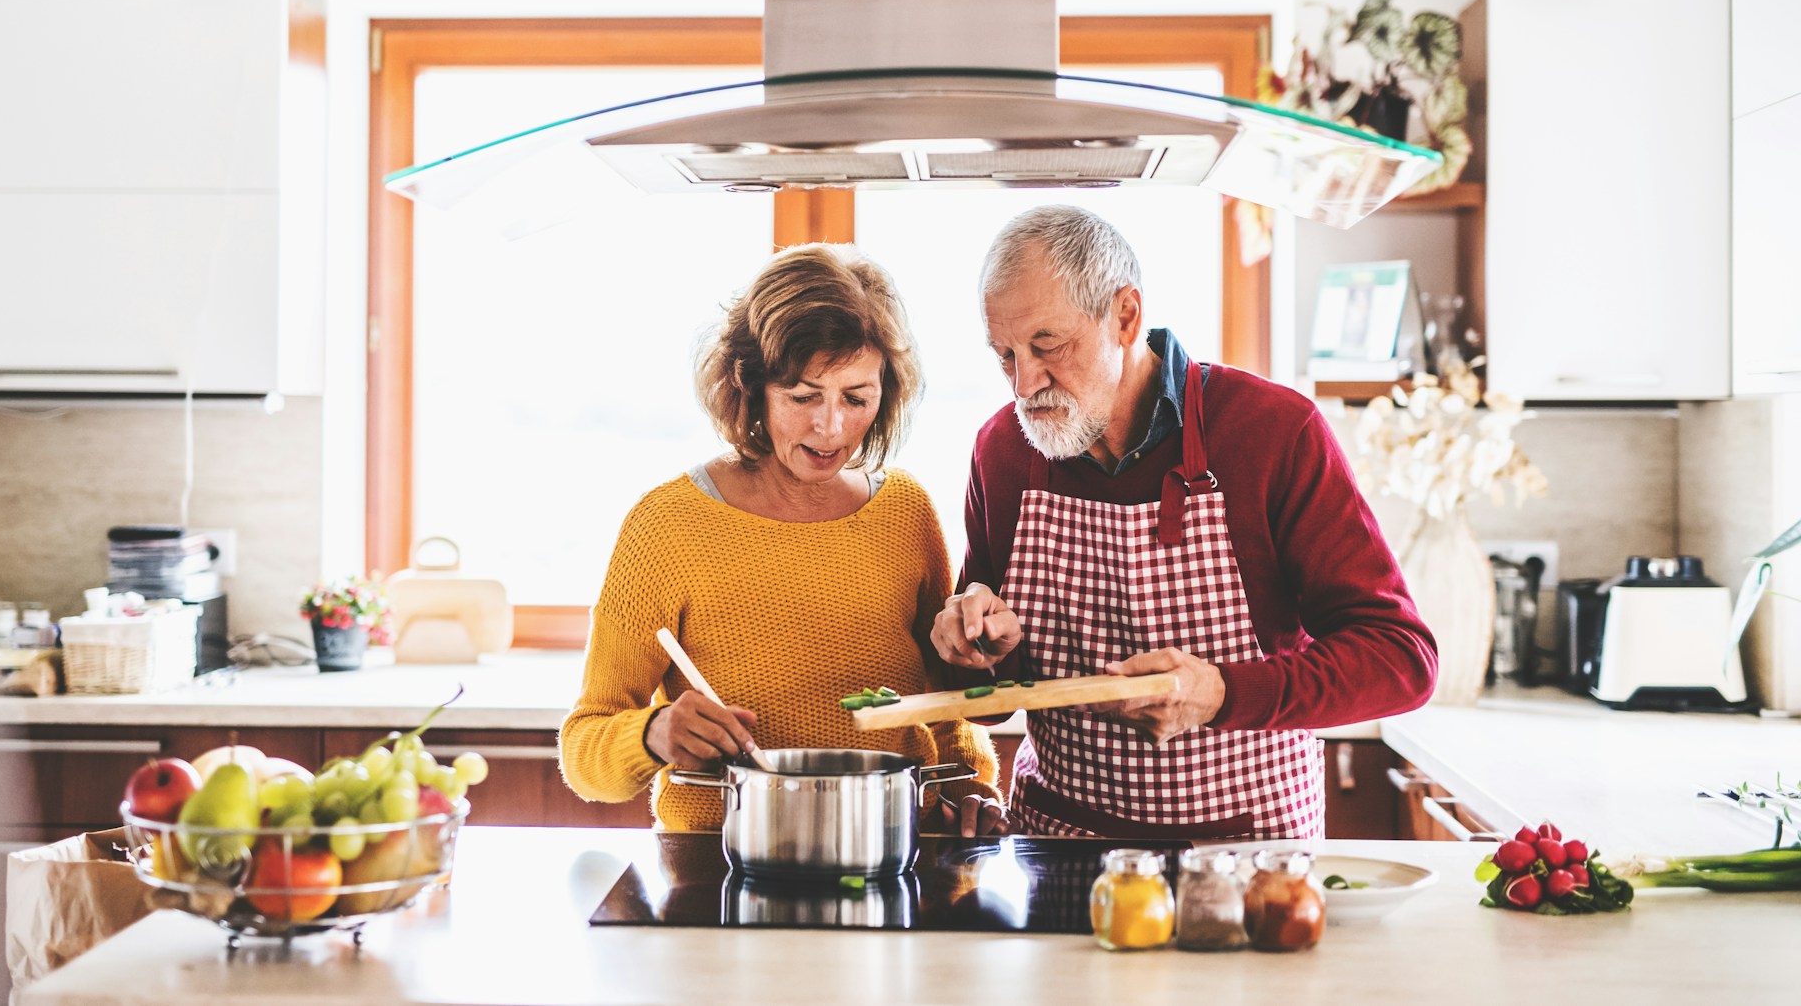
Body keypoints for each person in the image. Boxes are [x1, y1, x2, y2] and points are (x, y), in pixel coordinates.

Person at [931, 205, 1437, 840]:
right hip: (1057, 846)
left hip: (1247, 853)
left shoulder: (1273, 432)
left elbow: (1402, 659)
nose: (1025, 383)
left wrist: (1221, 693)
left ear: (1125, 316)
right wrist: (978, 648)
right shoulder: (1003, 451)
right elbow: (981, 687)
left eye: (1047, 345)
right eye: (1004, 354)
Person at [561, 243, 1005, 835]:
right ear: (750, 386)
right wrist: (651, 733)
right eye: (802, 397)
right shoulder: (667, 526)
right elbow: (585, 751)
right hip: (722, 865)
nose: (831, 427)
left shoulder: (905, 511)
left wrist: (973, 786)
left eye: (856, 398)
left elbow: (943, 704)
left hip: (892, 848)